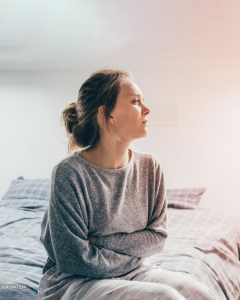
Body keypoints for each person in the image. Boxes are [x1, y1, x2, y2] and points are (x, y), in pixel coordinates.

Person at [37, 69, 217, 300]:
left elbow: (157, 239)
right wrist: (130, 254)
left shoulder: (150, 166)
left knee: (199, 293)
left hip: (135, 271)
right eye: (135, 101)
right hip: (74, 281)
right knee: (165, 297)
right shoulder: (69, 173)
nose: (147, 109)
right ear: (107, 113)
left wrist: (99, 242)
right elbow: (74, 259)